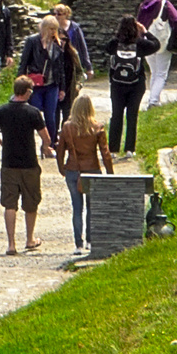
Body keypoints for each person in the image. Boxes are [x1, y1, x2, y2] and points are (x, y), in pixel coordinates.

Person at [0, 75, 49, 253]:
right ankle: (30, 239)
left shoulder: (1, 111)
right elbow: (45, 137)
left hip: (9, 163)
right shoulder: (33, 113)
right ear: (27, 92)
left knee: (10, 204)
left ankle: (11, 244)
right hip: (29, 163)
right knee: (31, 202)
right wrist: (45, 148)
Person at [57, 91, 114, 253]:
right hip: (93, 170)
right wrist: (110, 173)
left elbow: (60, 151)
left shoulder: (67, 127)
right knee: (91, 207)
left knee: (76, 208)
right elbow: (105, 153)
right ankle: (90, 240)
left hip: (73, 170)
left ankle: (78, 244)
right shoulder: (97, 127)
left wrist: (62, 168)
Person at [20, 16, 82, 144]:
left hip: (52, 85)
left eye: (55, 29)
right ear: (43, 28)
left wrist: (62, 88)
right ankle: (29, 143)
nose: (53, 32)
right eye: (50, 29)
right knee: (35, 114)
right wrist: (20, 85)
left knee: (51, 116)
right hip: (36, 85)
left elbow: (60, 68)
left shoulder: (58, 44)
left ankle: (50, 144)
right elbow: (24, 63)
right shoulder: (32, 41)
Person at [135, 0, 177, 108]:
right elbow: (176, 19)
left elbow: (138, 24)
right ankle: (153, 101)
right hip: (162, 42)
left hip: (147, 42)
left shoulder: (142, 6)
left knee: (154, 72)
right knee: (161, 73)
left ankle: (154, 99)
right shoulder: (165, 4)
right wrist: (176, 35)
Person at [105, 17, 149, 154]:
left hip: (117, 84)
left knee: (116, 115)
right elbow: (156, 45)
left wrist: (117, 35)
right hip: (136, 84)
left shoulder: (114, 43)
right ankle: (130, 148)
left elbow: (106, 49)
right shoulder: (140, 44)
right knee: (132, 116)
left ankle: (113, 149)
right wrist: (145, 32)